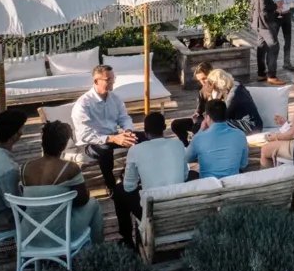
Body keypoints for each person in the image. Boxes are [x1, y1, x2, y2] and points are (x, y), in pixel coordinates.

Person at [20, 121, 105, 244]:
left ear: (43, 142)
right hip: (61, 234)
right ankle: (99, 249)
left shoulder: (25, 167)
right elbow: (82, 200)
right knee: (93, 203)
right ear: (64, 145)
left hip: (29, 234)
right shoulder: (70, 168)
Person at [72, 65, 146, 198]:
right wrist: (114, 138)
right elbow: (85, 135)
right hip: (89, 143)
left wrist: (128, 131)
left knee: (144, 138)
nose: (113, 82)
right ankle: (111, 185)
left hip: (113, 136)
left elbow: (124, 117)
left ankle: (128, 175)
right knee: (105, 149)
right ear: (96, 81)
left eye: (113, 78)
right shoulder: (83, 104)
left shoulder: (114, 98)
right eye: (109, 79)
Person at [117, 112, 188, 246]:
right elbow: (184, 176)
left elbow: (129, 187)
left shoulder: (135, 151)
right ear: (164, 127)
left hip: (152, 213)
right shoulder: (178, 145)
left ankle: (126, 238)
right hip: (177, 205)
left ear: (145, 132)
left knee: (119, 189)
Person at [186, 100, 249, 180]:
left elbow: (186, 158)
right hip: (233, 184)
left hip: (210, 186)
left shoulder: (199, 137)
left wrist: (200, 131)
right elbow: (243, 164)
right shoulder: (240, 135)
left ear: (207, 117)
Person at [206, 68, 264, 134]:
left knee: (217, 122)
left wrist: (209, 95)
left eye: (213, 85)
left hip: (251, 125)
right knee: (212, 121)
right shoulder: (232, 86)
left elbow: (220, 114)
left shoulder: (235, 92)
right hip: (241, 122)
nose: (213, 87)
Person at [251, 0, 282, 85]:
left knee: (261, 47)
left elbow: (254, 4)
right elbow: (263, 7)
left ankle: (261, 73)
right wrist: (276, 5)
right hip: (265, 23)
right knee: (274, 46)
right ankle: (272, 76)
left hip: (258, 22)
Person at [171, 62, 213, 146]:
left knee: (198, 129)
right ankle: (186, 145)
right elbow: (200, 110)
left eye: (204, 78)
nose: (203, 82)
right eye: (200, 80)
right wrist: (196, 114)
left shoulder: (218, 89)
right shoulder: (202, 91)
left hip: (212, 123)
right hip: (201, 121)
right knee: (176, 124)